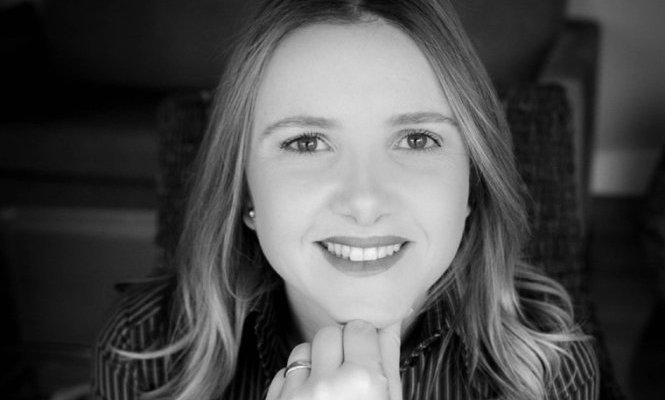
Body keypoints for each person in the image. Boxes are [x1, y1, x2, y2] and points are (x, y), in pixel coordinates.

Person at [92, 1, 600, 399]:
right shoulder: (146, 352)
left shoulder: (545, 368)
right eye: (306, 143)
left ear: (472, 182)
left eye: (417, 139)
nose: (364, 201)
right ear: (245, 191)